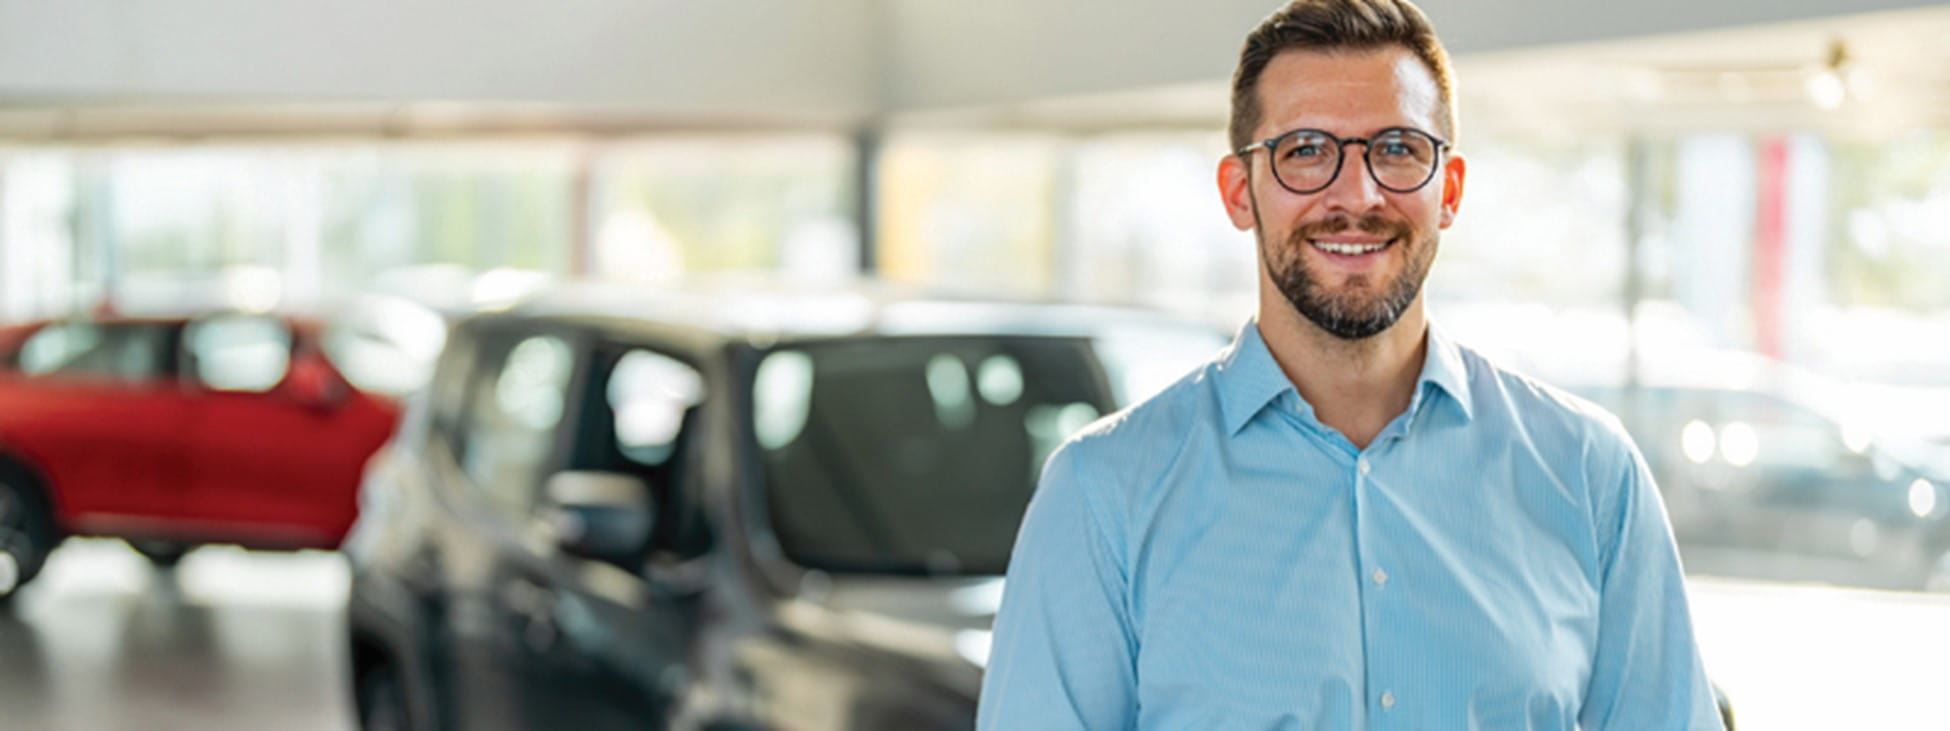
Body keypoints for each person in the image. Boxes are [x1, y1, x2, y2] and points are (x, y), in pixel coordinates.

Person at [975, 0, 1725, 728]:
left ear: (1451, 189)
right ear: (1241, 192)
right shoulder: (1105, 495)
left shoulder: (1589, 474)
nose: (1357, 194)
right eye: (1306, 151)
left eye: (1398, 148)